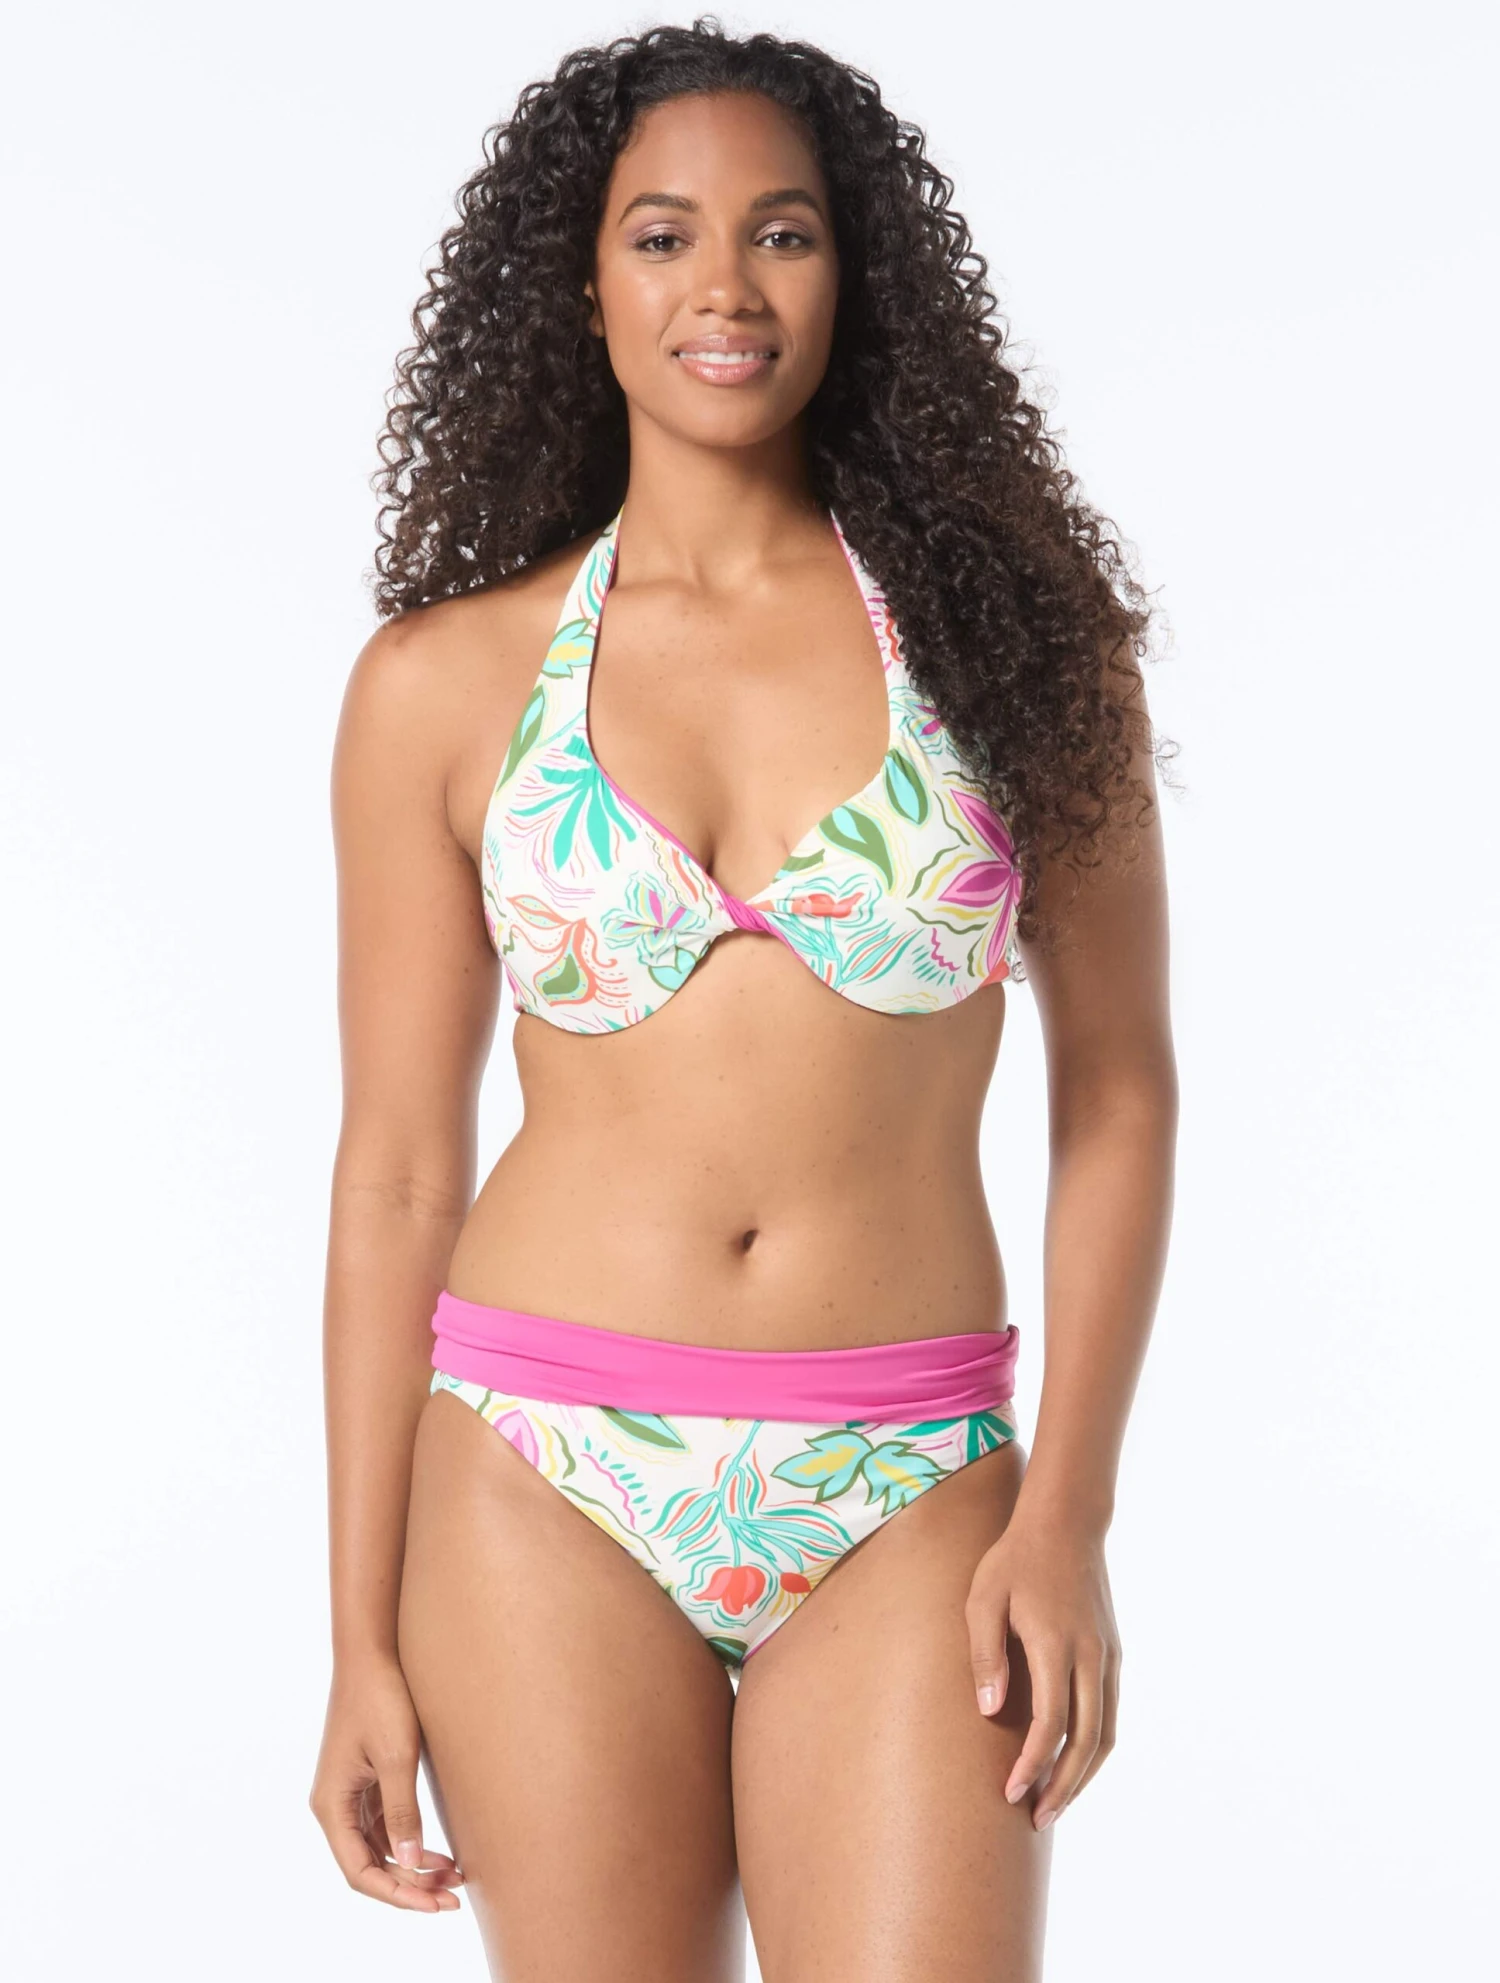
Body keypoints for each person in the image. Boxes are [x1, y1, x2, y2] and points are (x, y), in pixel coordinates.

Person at [308, 20, 1176, 1980]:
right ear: (582, 286)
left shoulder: (1020, 655)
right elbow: (395, 1171)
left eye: (782, 233)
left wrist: (1069, 1519)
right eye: (663, 236)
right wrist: (356, 1633)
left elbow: (1120, 1091)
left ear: (854, 277)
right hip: (540, 1470)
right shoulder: (443, 685)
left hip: (912, 1482)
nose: (725, 287)